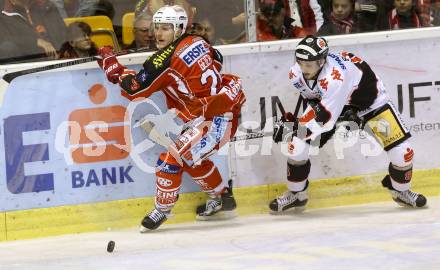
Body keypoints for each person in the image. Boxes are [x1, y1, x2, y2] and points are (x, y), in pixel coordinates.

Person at [97, 5, 246, 231]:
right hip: (220, 111)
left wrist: (113, 67)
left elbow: (134, 89)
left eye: (165, 29)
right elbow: (217, 58)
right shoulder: (198, 40)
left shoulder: (164, 61)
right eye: (157, 28)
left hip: (214, 120)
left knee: (171, 160)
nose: (158, 34)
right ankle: (223, 198)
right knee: (192, 158)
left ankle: (162, 210)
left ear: (178, 29)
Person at [270, 35, 427, 213]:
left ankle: (401, 191)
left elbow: (325, 120)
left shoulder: (334, 79)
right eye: (300, 62)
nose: (303, 68)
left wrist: (295, 128)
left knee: (403, 153)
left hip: (371, 105)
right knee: (297, 147)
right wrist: (299, 129)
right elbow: (317, 104)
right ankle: (297, 195)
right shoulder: (295, 73)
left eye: (308, 64)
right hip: (336, 105)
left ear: (321, 62)